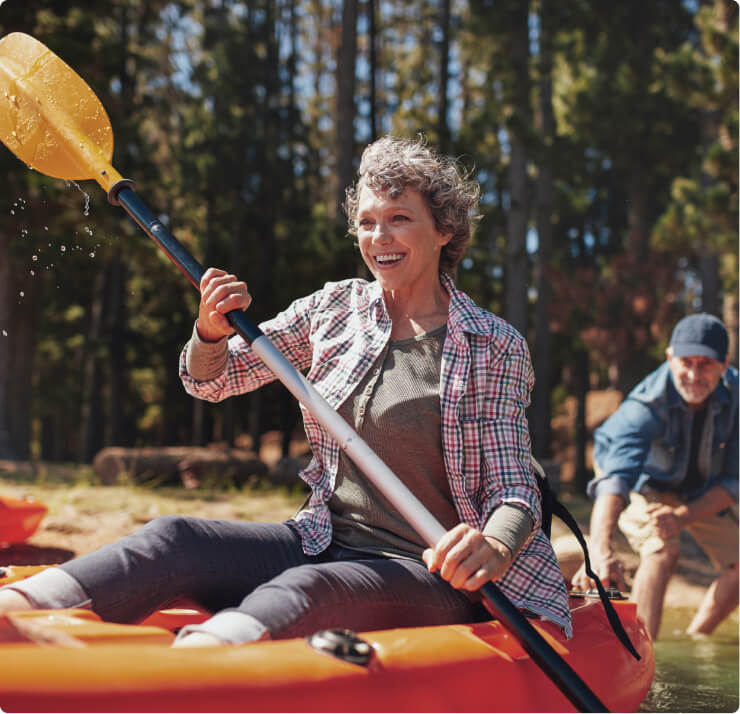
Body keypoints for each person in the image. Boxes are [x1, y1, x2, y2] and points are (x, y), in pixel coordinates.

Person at [0, 135, 571, 646]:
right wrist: (209, 332)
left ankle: (199, 666)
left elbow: (512, 486)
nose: (379, 238)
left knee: (312, 587)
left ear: (445, 229)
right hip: (323, 538)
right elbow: (214, 380)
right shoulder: (333, 309)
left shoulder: (490, 343)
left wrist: (492, 548)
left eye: (399, 218)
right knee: (176, 537)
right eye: (368, 222)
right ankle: (15, 613)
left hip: (432, 571)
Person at [572, 313, 738, 640]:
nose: (693, 374)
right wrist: (601, 552)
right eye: (685, 362)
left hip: (697, 491)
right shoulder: (647, 404)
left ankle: (695, 640)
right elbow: (615, 482)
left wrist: (682, 516)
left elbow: (733, 483)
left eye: (705, 365)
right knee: (662, 548)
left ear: (724, 364)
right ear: (670, 358)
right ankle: (642, 649)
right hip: (639, 483)